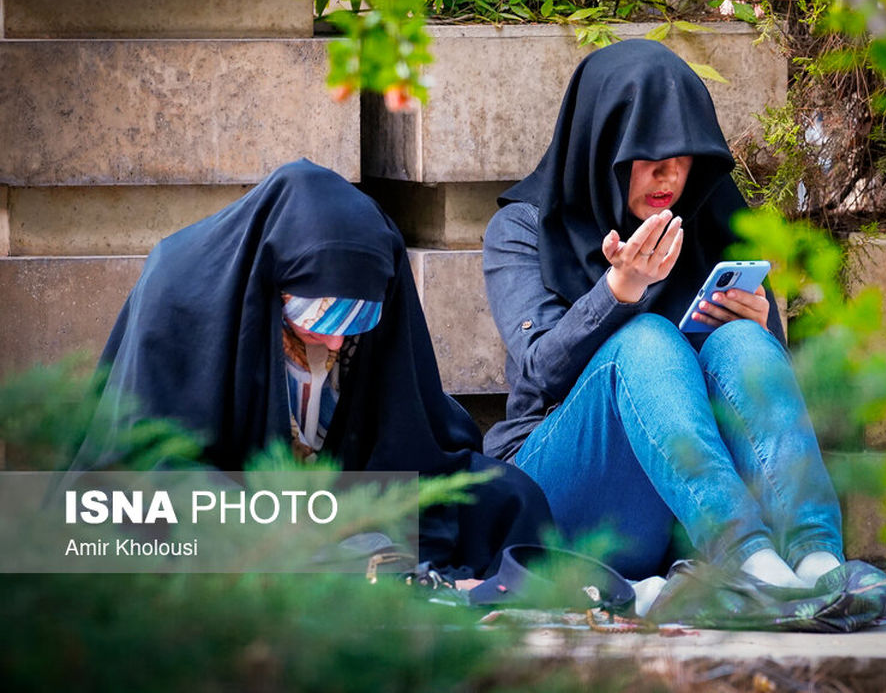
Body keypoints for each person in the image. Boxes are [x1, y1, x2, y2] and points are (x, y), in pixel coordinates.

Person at [482, 39, 844, 584]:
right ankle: (750, 560)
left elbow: (755, 412)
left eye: (682, 158)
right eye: (649, 158)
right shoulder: (521, 230)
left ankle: (819, 560)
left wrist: (762, 325)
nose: (670, 177)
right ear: (605, 148)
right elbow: (538, 372)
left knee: (742, 344)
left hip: (681, 512)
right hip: (563, 496)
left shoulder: (704, 217)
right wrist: (618, 292)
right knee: (647, 337)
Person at [84, 159, 552, 578]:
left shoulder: (373, 295)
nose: (334, 342)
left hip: (343, 501)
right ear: (273, 281)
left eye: (352, 325)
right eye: (317, 321)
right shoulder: (178, 286)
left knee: (509, 498)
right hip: (218, 501)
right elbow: (140, 467)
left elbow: (412, 445)